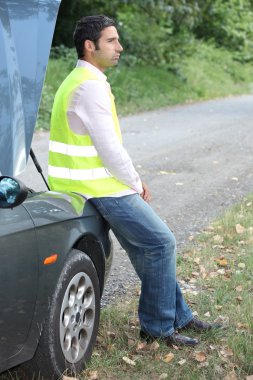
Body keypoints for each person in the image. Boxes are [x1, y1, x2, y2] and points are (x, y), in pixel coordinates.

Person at [48, 15, 219, 346]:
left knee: (148, 248)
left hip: (84, 184)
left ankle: (178, 316)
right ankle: (156, 328)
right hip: (98, 188)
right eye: (111, 41)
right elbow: (110, 149)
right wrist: (135, 182)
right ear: (89, 45)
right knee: (160, 242)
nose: (119, 47)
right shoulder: (89, 86)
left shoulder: (76, 80)